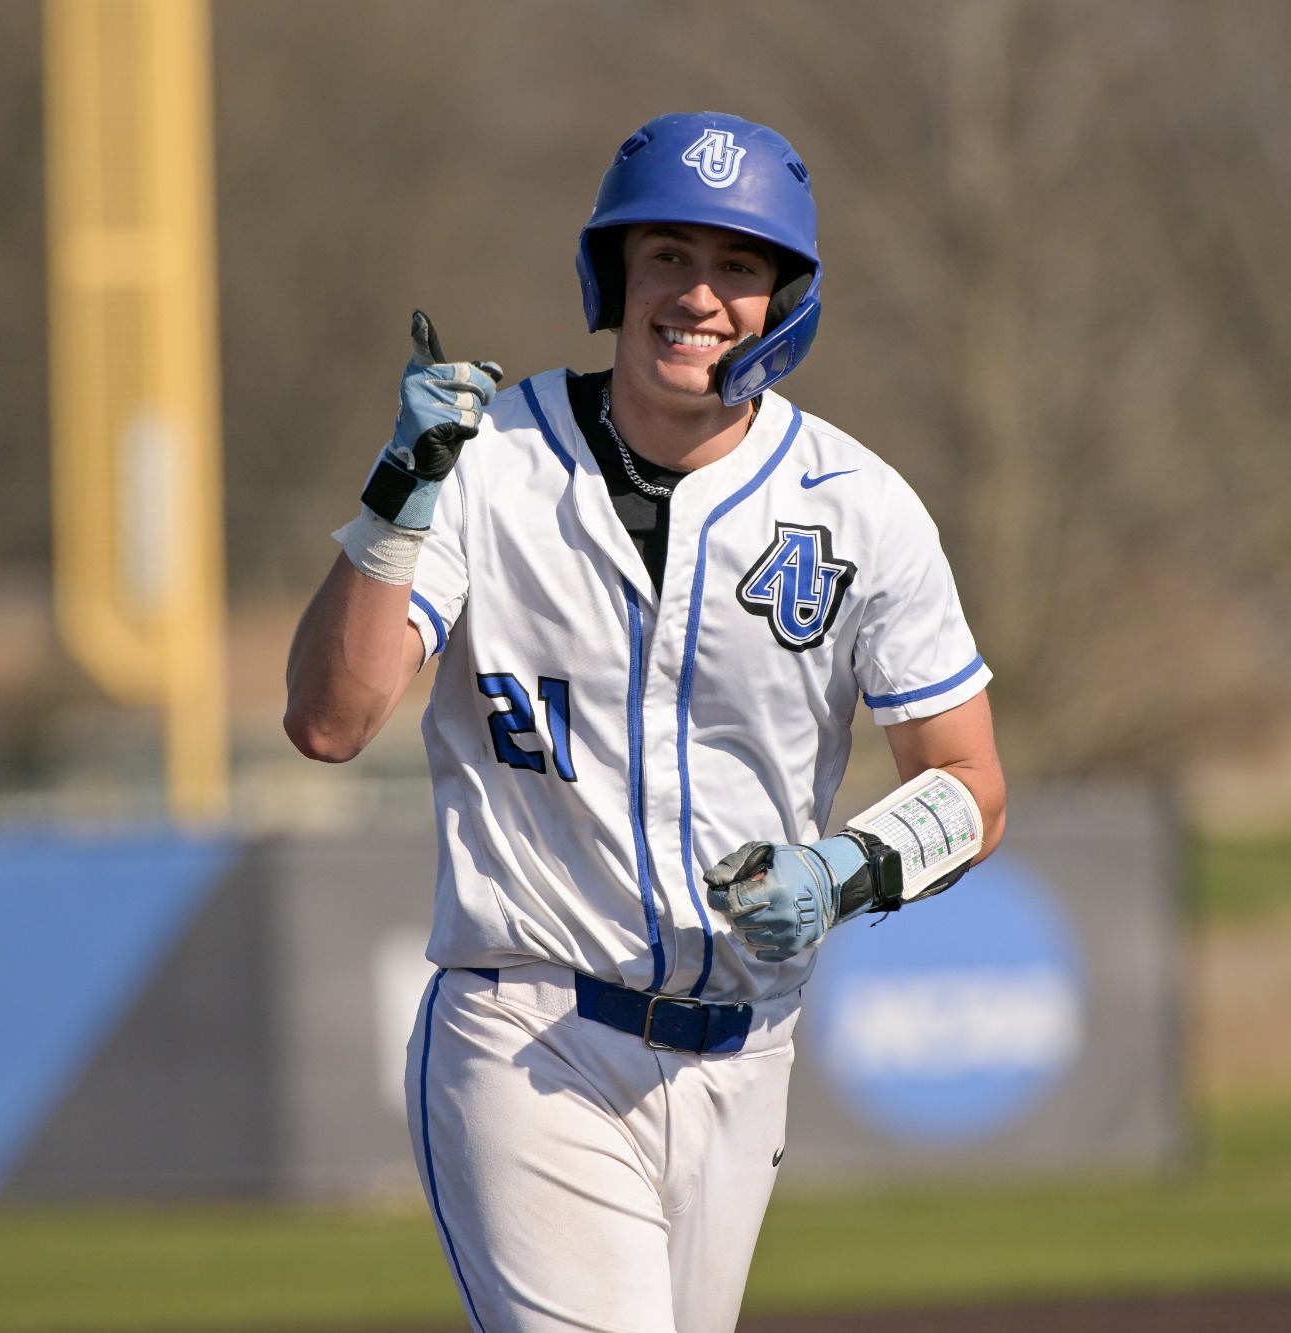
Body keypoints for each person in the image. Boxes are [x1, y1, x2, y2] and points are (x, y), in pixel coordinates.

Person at [283, 111, 1005, 1333]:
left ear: (782, 297)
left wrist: (847, 869)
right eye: (667, 253)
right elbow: (330, 718)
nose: (699, 295)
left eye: (736, 264)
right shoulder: (486, 459)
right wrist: (398, 494)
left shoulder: (860, 507)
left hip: (745, 1052)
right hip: (534, 1032)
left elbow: (970, 783)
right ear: (612, 271)